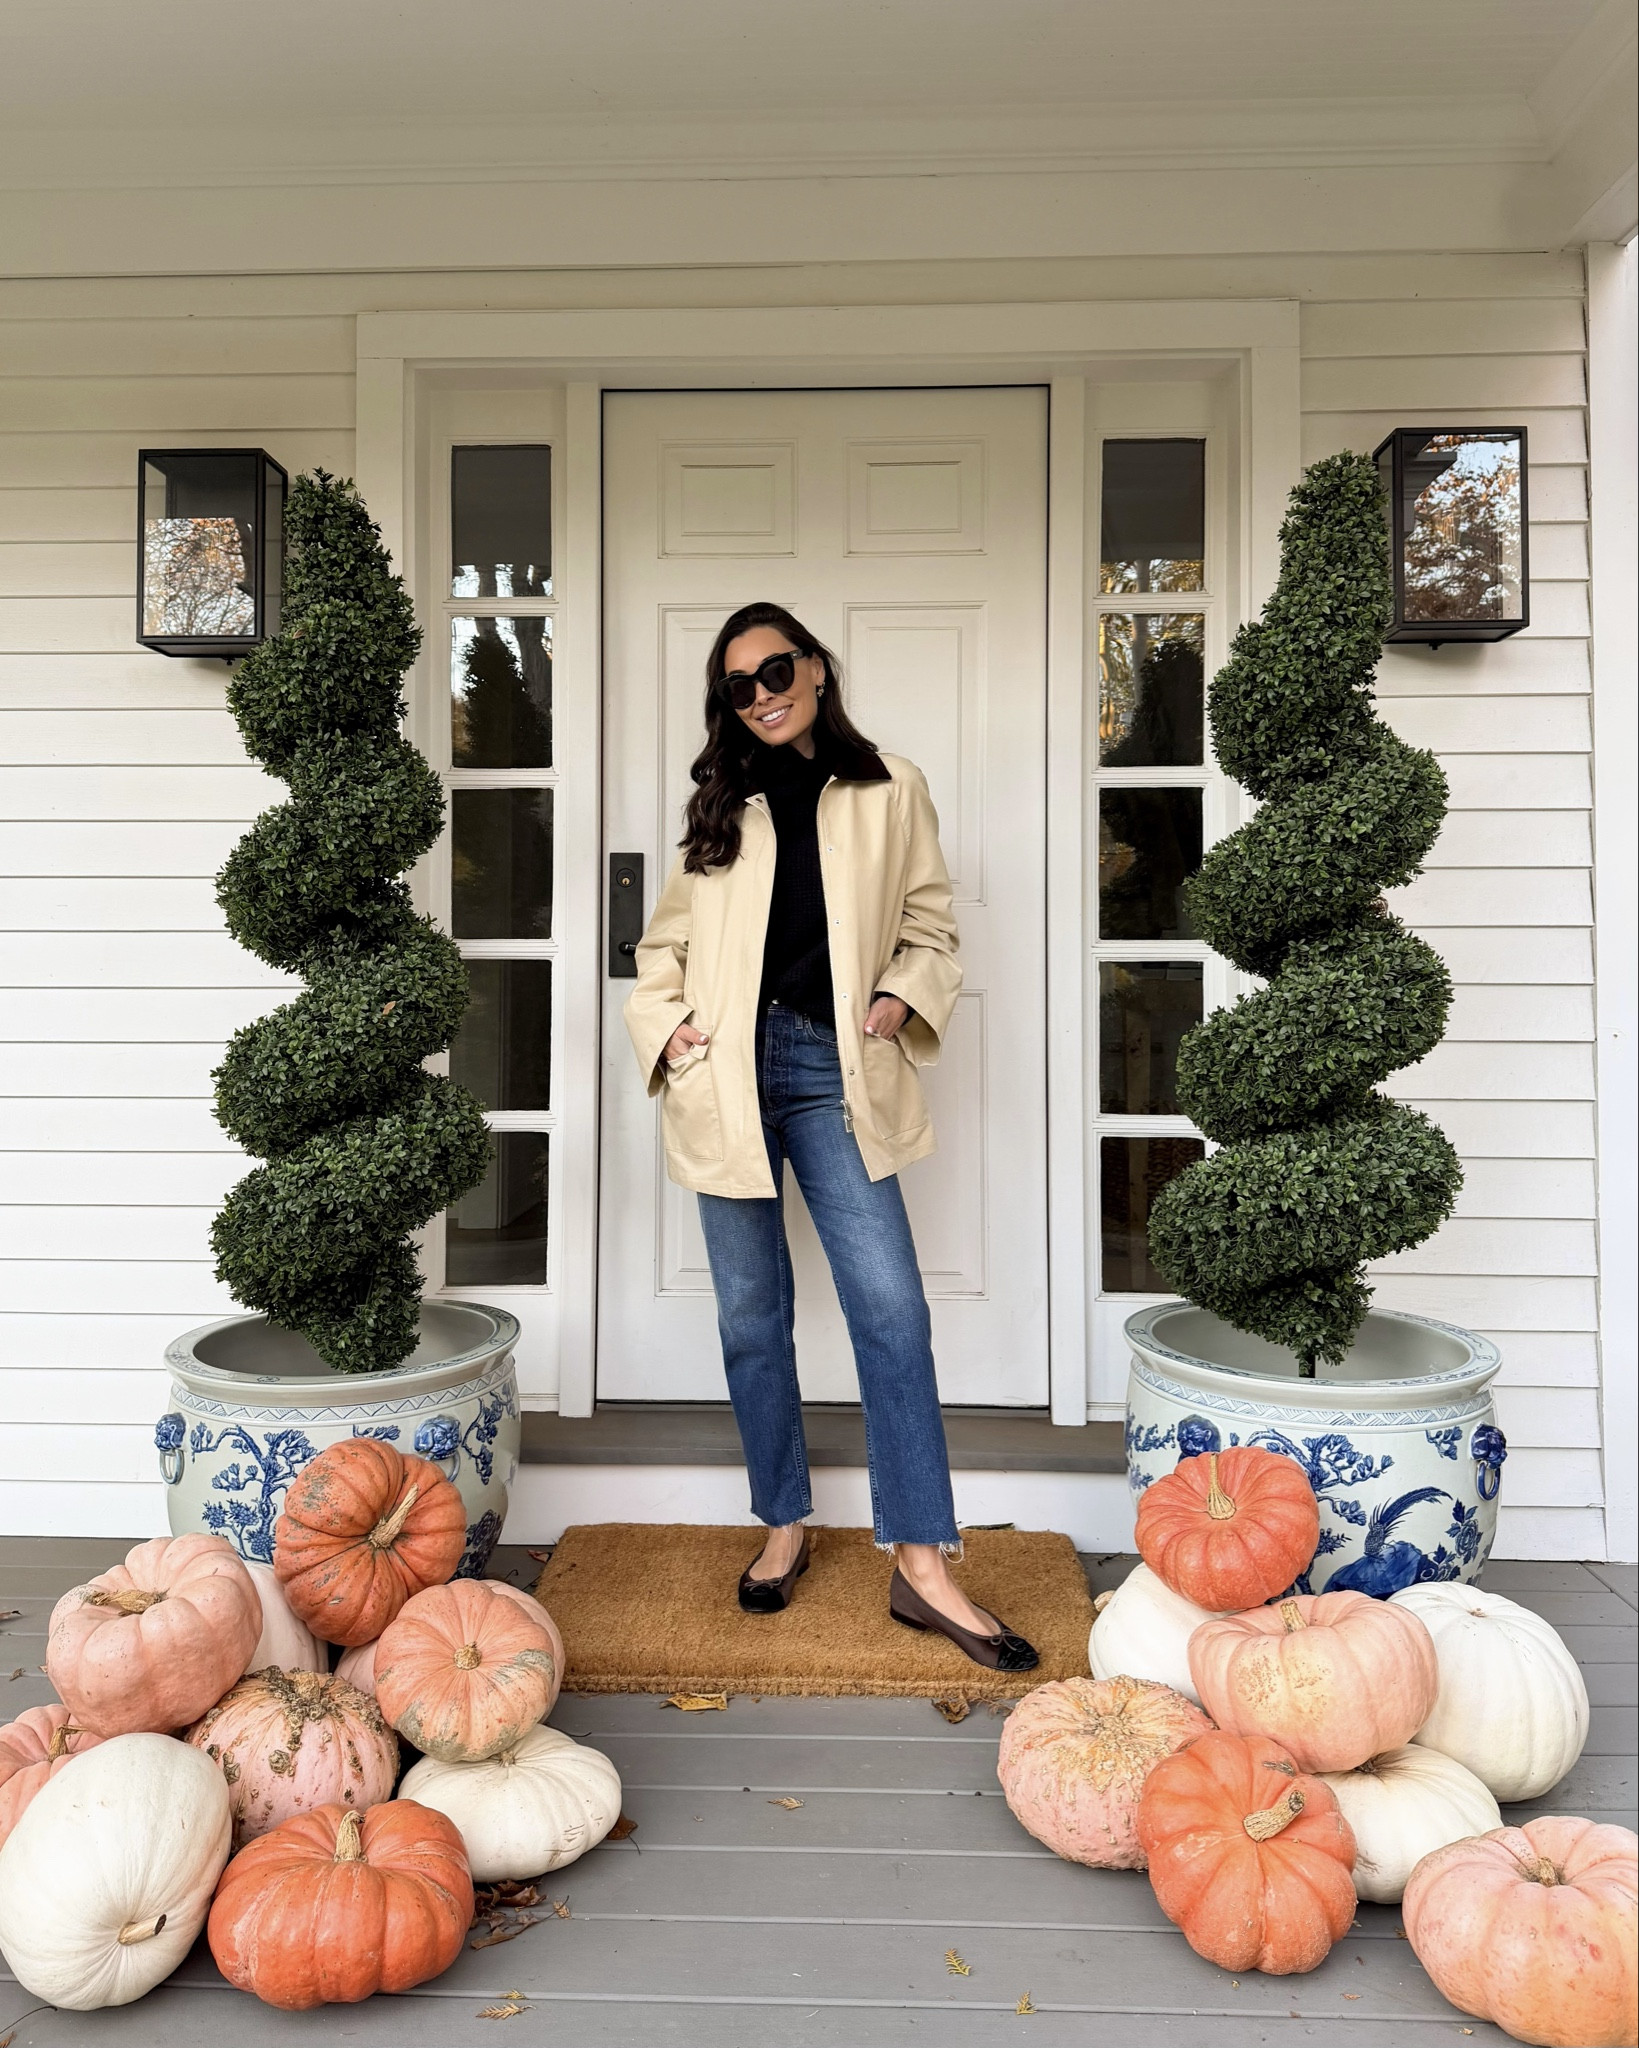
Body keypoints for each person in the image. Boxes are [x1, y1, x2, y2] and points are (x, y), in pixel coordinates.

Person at [624, 601, 1038, 1672]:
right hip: (724, 1073)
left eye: (773, 670)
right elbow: (661, 946)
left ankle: (923, 1558)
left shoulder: (888, 786)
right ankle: (783, 1519)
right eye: (736, 686)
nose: (759, 695)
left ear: (813, 666)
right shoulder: (720, 804)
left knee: (891, 1312)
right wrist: (671, 1032)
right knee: (753, 1315)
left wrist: (899, 997)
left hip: (830, 1068)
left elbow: (932, 925)